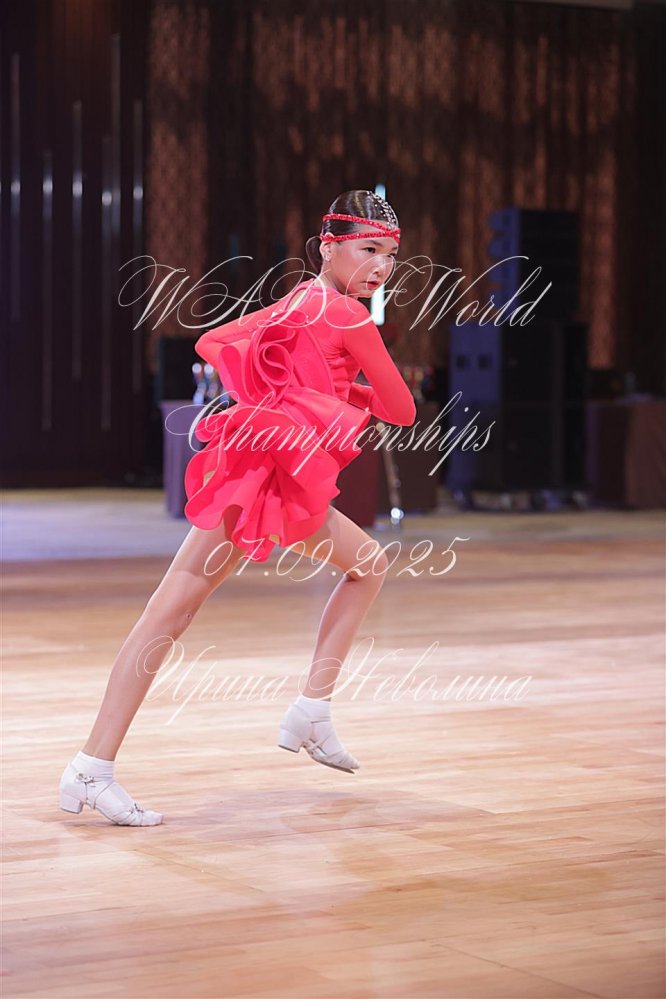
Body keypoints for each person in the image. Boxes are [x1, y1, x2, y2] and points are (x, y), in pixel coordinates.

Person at [59, 189, 416, 825]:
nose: (381, 266)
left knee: (356, 566)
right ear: (328, 247)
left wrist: (301, 391)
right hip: (268, 477)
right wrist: (346, 391)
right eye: (369, 249)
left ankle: (308, 710)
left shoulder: (298, 298)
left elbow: (222, 343)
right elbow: (403, 410)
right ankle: (96, 765)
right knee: (174, 613)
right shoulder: (350, 317)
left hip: (251, 467)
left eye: (390, 254)